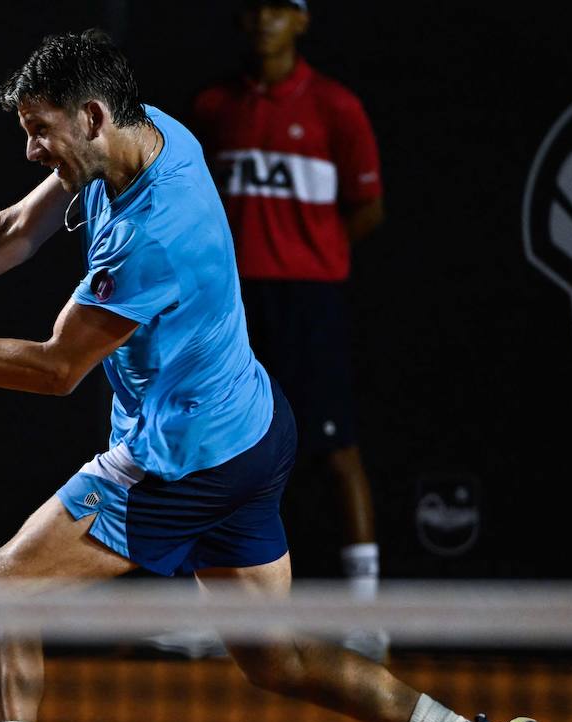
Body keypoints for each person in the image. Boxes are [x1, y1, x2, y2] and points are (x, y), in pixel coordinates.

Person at [0, 30, 563, 722]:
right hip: (248, 434)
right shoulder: (139, 135)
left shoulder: (156, 234)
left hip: (179, 462)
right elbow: (11, 231)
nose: (31, 149)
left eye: (41, 129)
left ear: (93, 116)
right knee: (274, 658)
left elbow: (59, 369)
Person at [195, 0, 385, 604]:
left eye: (280, 9)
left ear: (301, 21)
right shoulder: (212, 108)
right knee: (211, 446)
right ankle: (210, 613)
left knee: (335, 452)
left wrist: (310, 255)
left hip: (310, 302)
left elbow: (367, 210)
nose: (264, 20)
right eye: (253, 9)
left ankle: (365, 614)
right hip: (233, 305)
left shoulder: (337, 107)